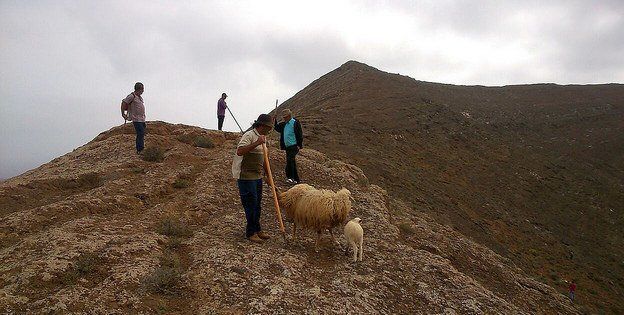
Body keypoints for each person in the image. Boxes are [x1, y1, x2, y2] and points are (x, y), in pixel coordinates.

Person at [232, 114, 273, 243]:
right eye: (268, 127)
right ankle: (250, 233)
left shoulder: (263, 138)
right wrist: (257, 143)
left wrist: (268, 175)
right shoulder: (249, 135)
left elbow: (264, 158)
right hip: (246, 176)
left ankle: (257, 229)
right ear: (261, 125)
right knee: (251, 204)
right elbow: (240, 151)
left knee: (257, 204)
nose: (270, 130)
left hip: (257, 176)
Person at [273, 109, 303, 184]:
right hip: (287, 147)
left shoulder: (295, 123)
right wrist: (275, 120)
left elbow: (299, 134)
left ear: (289, 116)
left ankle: (291, 177)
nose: (284, 119)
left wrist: (299, 145)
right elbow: (276, 127)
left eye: (285, 117)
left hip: (294, 146)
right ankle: (296, 179)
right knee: (291, 161)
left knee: (290, 161)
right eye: (284, 117)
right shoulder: (284, 124)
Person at [121, 82, 146, 154]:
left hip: (142, 119)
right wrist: (123, 114)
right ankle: (140, 150)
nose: (143, 91)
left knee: (142, 133)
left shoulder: (139, 97)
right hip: (136, 119)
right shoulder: (132, 96)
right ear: (139, 89)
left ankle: (141, 148)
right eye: (142, 89)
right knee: (140, 133)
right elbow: (123, 103)